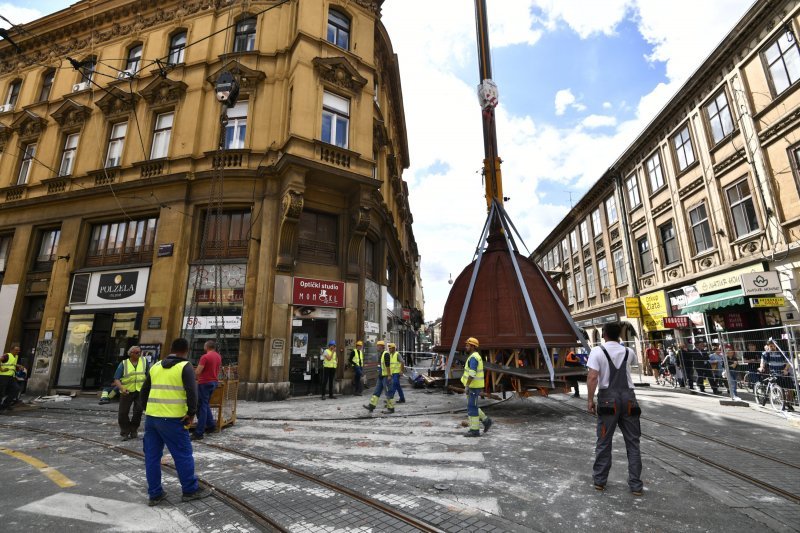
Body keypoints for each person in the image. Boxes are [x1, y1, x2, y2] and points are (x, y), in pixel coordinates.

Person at [140, 337, 210, 506]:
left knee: (152, 456)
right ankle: (190, 490)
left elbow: (144, 391)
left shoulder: (155, 366)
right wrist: (191, 412)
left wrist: (147, 409)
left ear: (171, 349)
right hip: (173, 420)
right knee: (182, 454)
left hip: (152, 418)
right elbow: (192, 392)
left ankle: (155, 494)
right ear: (186, 350)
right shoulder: (184, 367)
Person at [587, 322, 643, 496]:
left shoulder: (597, 351)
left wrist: (590, 400)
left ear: (603, 334)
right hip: (628, 399)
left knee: (604, 442)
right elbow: (633, 364)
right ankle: (635, 485)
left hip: (607, 402)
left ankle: (600, 482)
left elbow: (593, 377)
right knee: (633, 443)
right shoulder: (629, 351)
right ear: (619, 335)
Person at [112, 346, 148, 440]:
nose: (139, 354)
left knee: (138, 412)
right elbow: (116, 379)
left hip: (140, 390)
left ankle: (133, 429)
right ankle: (125, 431)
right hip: (126, 391)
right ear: (130, 353)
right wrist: (121, 388)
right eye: (136, 352)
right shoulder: (124, 363)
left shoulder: (144, 362)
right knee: (123, 412)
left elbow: (148, 376)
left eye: (140, 352)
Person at [462, 337, 493, 437]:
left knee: (472, 407)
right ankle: (486, 421)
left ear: (473, 346)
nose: (465, 347)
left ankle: (474, 430)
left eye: (467, 345)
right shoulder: (474, 356)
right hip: (473, 386)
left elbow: (472, 373)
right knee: (472, 405)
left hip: (473, 386)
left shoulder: (474, 358)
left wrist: (467, 385)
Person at [192, 340, 222, 441]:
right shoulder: (218, 356)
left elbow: (199, 371)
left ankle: (199, 432)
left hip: (204, 383)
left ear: (207, 347)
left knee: (202, 407)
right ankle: (211, 425)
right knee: (206, 404)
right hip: (213, 382)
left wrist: (192, 374)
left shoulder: (205, 357)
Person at [760, 341, 795, 412]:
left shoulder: (782, 353)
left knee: (790, 388)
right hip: (774, 374)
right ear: (768, 346)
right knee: (780, 388)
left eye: (774, 345)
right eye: (771, 346)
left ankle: (789, 404)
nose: (772, 347)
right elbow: (763, 361)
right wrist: (761, 367)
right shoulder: (767, 354)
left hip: (783, 373)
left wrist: (785, 369)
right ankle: (783, 403)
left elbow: (788, 361)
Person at [364, 340, 395, 413]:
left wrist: (389, 376)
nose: (376, 347)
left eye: (377, 346)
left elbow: (388, 366)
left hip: (386, 377)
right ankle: (371, 406)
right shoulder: (380, 354)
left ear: (381, 346)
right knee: (376, 391)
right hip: (381, 377)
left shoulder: (385, 354)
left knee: (388, 392)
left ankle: (391, 408)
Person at [0, 346, 24, 412]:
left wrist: (18, 366)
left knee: (16, 389)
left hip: (11, 376)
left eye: (18, 350)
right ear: (11, 350)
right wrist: (1, 369)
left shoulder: (15, 357)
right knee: (1, 391)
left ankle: (5, 405)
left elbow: (11, 364)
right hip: (3, 376)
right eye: (16, 350)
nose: (18, 352)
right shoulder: (7, 355)